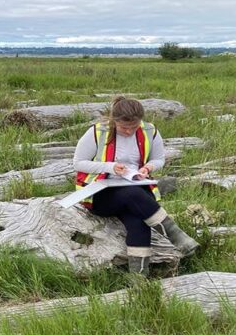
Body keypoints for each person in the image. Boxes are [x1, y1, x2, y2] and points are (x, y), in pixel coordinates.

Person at [73, 96, 199, 276]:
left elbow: (159, 159)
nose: (129, 131)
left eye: (134, 127)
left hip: (135, 188)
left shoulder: (150, 131)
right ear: (114, 121)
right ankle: (176, 236)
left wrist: (148, 167)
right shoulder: (96, 132)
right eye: (124, 127)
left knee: (138, 220)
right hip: (100, 194)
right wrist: (110, 167)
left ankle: (138, 278)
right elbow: (78, 163)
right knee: (132, 194)